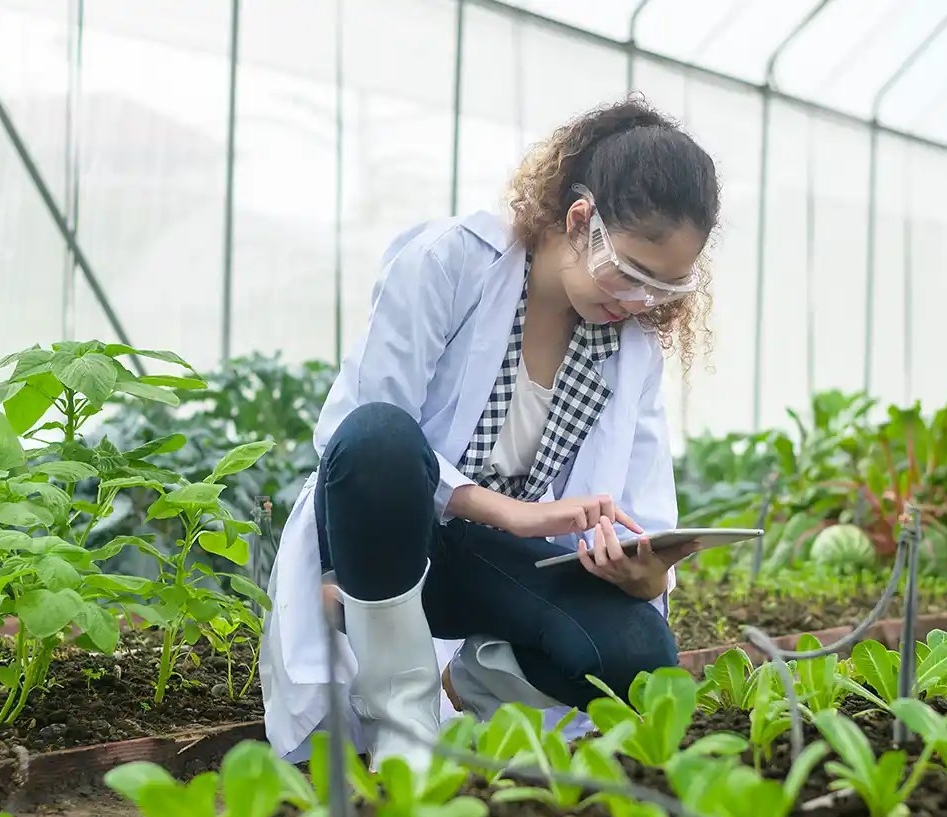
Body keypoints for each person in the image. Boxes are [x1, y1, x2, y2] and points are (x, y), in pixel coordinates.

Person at [256, 99, 720, 770]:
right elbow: (356, 433)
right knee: (379, 439)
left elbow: (642, 505)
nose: (640, 303)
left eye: (665, 289)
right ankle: (404, 719)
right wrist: (512, 513)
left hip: (493, 564)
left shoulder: (628, 341)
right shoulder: (451, 261)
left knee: (638, 657)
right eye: (631, 273)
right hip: (385, 541)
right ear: (581, 220)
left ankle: (472, 684)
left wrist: (643, 573)